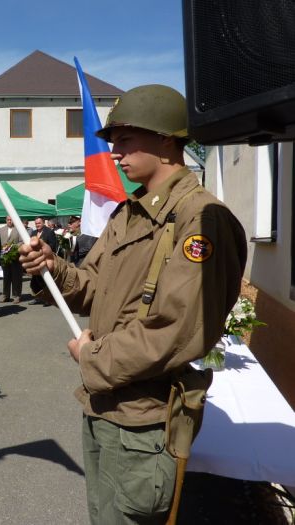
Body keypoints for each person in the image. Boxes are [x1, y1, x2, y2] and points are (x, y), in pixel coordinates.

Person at [19, 84, 247, 525]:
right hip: (106, 405)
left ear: (166, 140)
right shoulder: (129, 214)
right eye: (113, 142)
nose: (115, 154)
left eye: (125, 139)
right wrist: (52, 267)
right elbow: (92, 288)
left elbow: (179, 329)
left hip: (143, 420)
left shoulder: (200, 218)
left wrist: (93, 358)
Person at [0, 215, 23, 304]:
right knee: (6, 277)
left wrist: (12, 247)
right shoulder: (1, 230)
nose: (10, 221)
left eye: (11, 220)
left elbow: (21, 242)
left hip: (15, 257)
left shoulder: (19, 229)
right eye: (8, 220)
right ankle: (5, 295)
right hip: (3, 257)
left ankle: (17, 296)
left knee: (16, 277)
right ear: (6, 220)